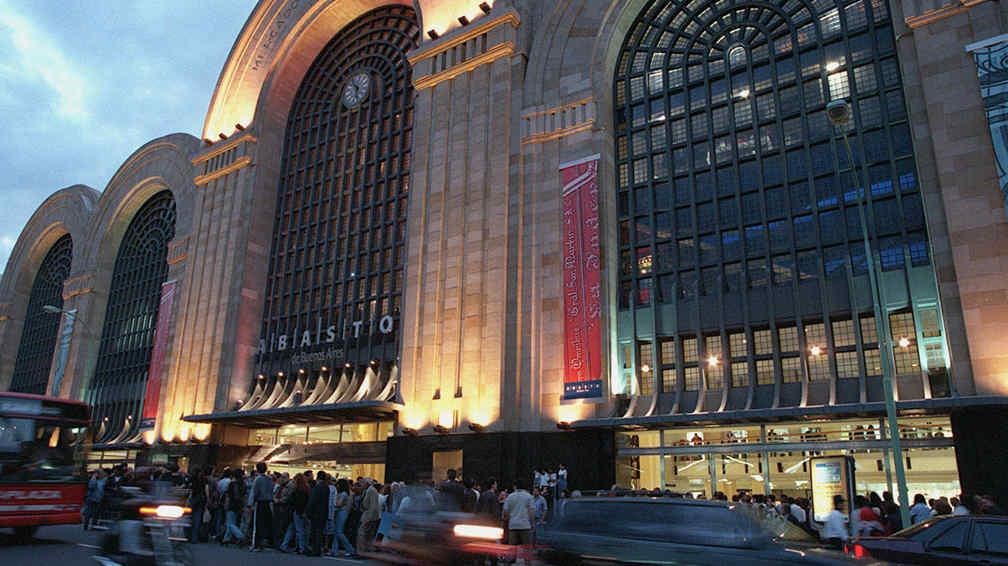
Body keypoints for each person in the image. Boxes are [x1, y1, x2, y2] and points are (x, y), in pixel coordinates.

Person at [279, 473, 308, 554]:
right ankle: (298, 547)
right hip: (299, 511)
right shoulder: (304, 489)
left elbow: (294, 501)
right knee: (295, 529)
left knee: (296, 529)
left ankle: (296, 547)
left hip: (296, 511)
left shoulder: (298, 490)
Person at [502, 478, 535, 548]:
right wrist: (532, 524)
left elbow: (505, 511)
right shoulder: (529, 497)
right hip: (525, 525)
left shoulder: (510, 497)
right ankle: (525, 559)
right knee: (527, 549)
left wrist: (509, 519)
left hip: (513, 525)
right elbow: (531, 512)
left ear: (515, 486)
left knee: (512, 549)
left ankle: (512, 559)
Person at [249, 462, 274, 551]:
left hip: (259, 502)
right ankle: (264, 543)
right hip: (268, 502)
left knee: (257, 524)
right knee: (265, 524)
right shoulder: (270, 479)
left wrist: (250, 503)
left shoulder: (258, 479)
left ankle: (255, 544)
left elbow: (254, 492)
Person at [330, 478, 357, 557]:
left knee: (339, 532)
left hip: (341, 513)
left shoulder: (344, 493)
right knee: (337, 532)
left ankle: (351, 549)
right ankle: (334, 551)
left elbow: (339, 504)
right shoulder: (344, 493)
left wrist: (332, 502)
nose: (336, 485)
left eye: (338, 484)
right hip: (341, 512)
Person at [307, 471, 330, 556]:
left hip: (315, 513)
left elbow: (313, 501)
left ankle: (315, 550)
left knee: (314, 532)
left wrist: (308, 511)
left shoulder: (317, 487)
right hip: (323, 512)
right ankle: (318, 549)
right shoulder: (326, 487)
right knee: (319, 532)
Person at [222, 469, 247, 546]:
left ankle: (240, 536)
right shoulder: (244, 484)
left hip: (232, 504)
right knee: (233, 521)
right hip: (240, 505)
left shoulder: (232, 484)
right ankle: (226, 539)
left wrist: (226, 504)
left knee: (230, 523)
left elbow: (228, 496)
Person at [357, 478, 381, 553]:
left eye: (363, 483)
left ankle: (361, 552)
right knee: (369, 535)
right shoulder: (370, 490)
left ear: (367, 483)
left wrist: (369, 518)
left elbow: (373, 506)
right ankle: (367, 551)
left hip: (369, 516)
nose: (361, 485)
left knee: (361, 533)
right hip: (371, 516)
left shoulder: (371, 490)